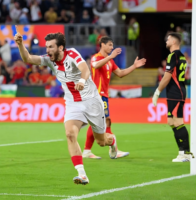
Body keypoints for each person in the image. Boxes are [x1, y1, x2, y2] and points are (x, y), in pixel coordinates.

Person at [14, 28, 118, 185]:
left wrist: (82, 81)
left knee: (102, 141)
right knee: (70, 134)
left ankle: (112, 140)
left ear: (60, 48)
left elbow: (85, 69)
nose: (47, 50)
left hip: (91, 101)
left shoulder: (72, 54)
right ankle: (82, 174)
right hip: (72, 103)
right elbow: (28, 58)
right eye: (46, 46)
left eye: (51, 47)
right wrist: (21, 44)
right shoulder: (49, 60)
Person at [82, 36, 146, 159]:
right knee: (106, 121)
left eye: (112, 45)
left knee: (99, 123)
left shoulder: (110, 61)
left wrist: (133, 66)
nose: (112, 47)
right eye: (110, 45)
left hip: (104, 96)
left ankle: (87, 151)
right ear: (102, 45)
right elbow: (95, 66)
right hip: (97, 96)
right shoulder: (97, 58)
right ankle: (113, 149)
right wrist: (110, 57)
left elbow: (120, 73)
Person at [152, 32, 194, 162]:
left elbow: (167, 76)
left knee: (178, 122)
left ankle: (185, 153)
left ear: (174, 42)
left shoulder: (172, 56)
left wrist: (157, 91)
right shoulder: (181, 57)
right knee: (171, 122)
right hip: (176, 92)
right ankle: (182, 152)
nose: (166, 40)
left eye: (168, 39)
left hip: (176, 92)